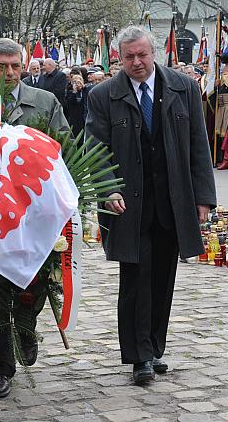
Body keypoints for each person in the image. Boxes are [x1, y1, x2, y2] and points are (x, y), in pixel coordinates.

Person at [86, 26, 216, 386]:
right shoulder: (103, 95)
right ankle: (139, 355)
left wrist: (203, 198)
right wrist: (107, 189)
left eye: (142, 55)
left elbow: (198, 145)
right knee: (135, 278)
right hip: (127, 204)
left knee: (162, 278)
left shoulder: (183, 87)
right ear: (119, 57)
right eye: (129, 57)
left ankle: (155, 347)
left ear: (153, 52)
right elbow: (95, 150)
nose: (136, 62)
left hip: (172, 201)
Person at [0, 38, 68, 399]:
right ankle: (0, 368)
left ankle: (27, 330)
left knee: (33, 285)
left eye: (16, 65)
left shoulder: (45, 102)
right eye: (2, 66)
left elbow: (66, 150)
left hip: (36, 215)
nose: (10, 73)